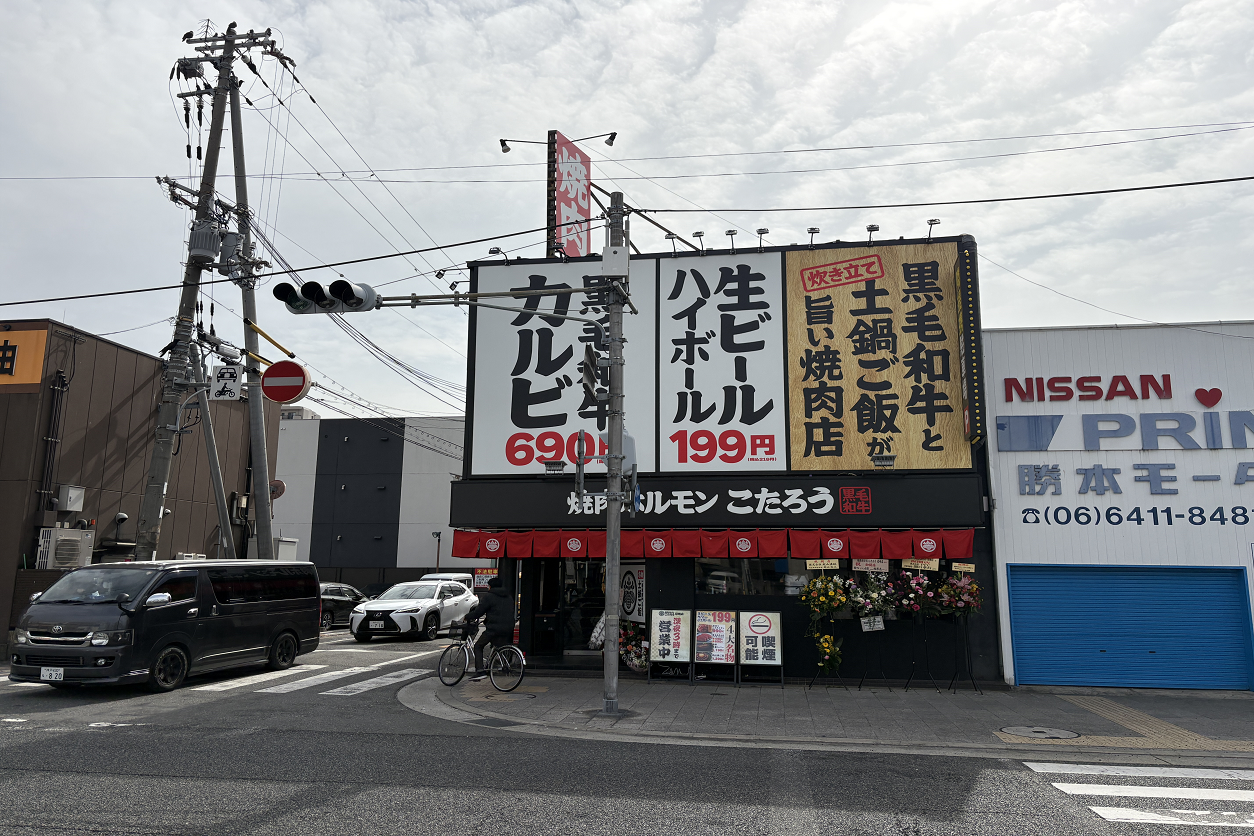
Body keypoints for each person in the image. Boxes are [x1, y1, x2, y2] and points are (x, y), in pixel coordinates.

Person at [463, 576, 514, 681]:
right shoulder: (508, 596)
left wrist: (467, 616)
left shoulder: (489, 596)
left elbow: (478, 612)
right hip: (508, 627)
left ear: (490, 586)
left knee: (478, 646)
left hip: (494, 628)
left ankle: (480, 671)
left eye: (488, 586)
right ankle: (494, 664)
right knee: (496, 646)